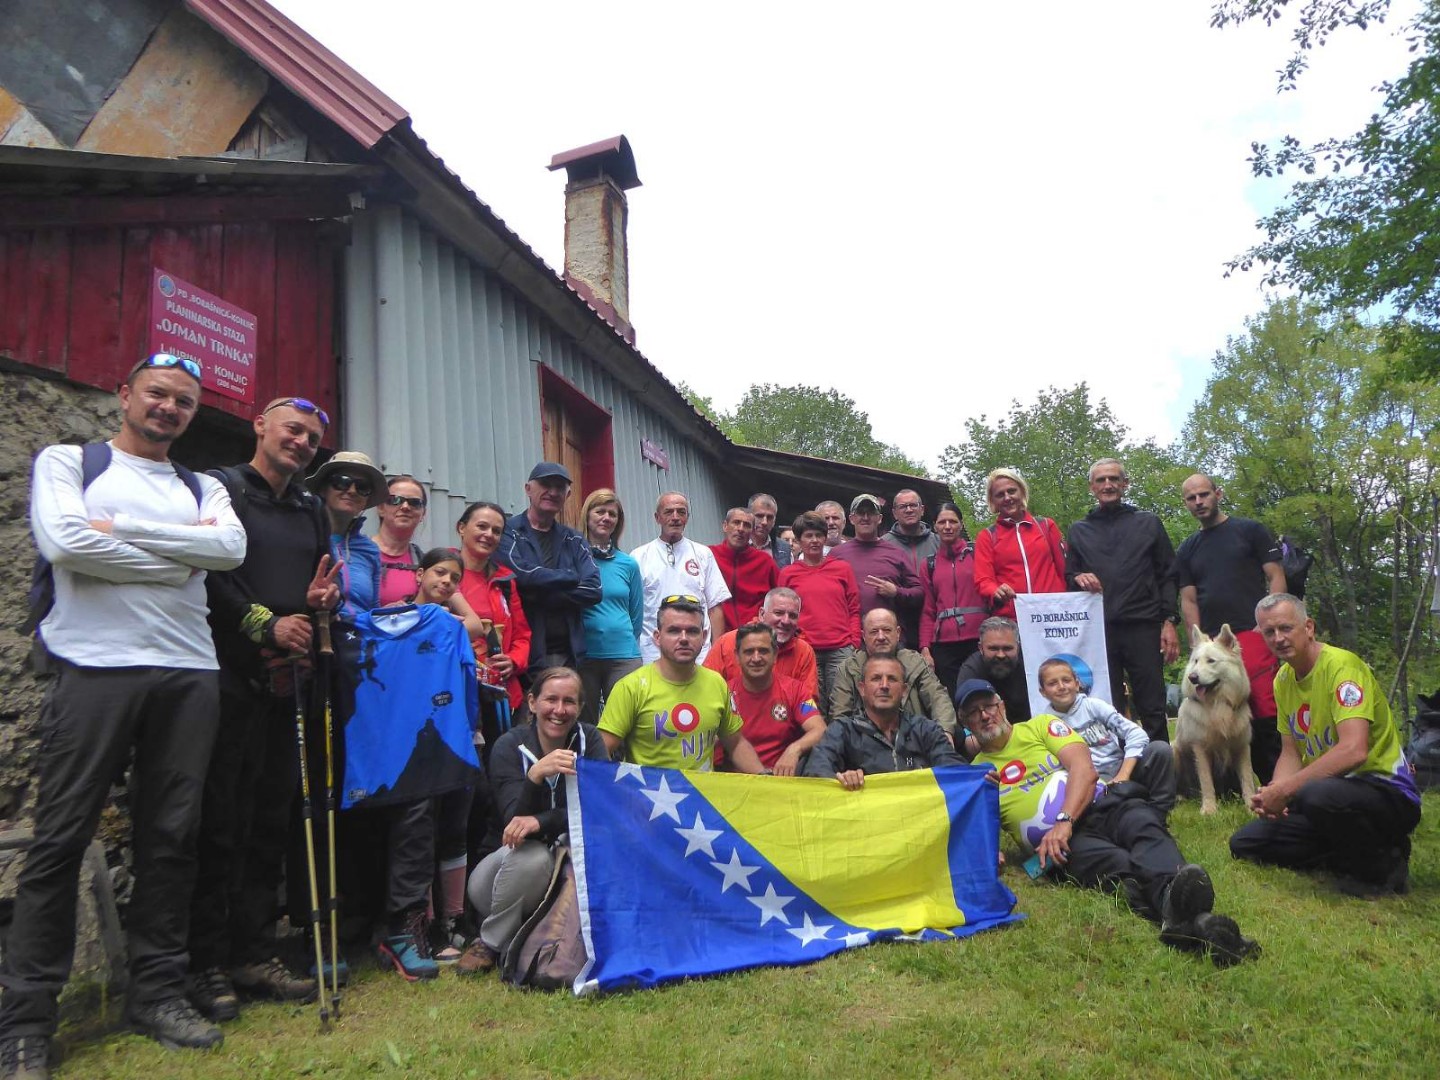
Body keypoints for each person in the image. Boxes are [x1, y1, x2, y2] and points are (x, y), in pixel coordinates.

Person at [2, 353, 246, 1066]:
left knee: (172, 837)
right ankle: (25, 1022)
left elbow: (229, 550)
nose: (169, 408)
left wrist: (121, 537)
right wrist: (181, 560)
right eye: (157, 394)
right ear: (125, 395)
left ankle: (156, 991)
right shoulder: (68, 462)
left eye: (184, 402)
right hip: (93, 667)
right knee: (60, 840)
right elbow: (63, 541)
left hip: (188, 671)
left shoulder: (200, 483)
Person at [188, 395, 337, 1025]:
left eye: (311, 438)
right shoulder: (222, 488)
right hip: (225, 673)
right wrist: (265, 625)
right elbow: (209, 574)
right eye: (292, 431)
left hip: (288, 683)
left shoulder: (310, 508)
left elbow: (317, 585)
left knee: (272, 819)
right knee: (219, 818)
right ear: (260, 427)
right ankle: (204, 964)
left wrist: (317, 604)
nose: (301, 443)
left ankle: (253, 953)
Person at [964, 680, 1257, 966]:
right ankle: (1197, 922)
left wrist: (1064, 820)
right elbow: (977, 832)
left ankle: (1182, 918)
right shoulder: (977, 773)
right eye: (974, 712)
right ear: (966, 722)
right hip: (1060, 849)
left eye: (988, 705)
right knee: (1119, 867)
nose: (984, 715)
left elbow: (1083, 768)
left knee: (1145, 830)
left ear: (1001, 705)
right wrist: (990, 855)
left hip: (1103, 804)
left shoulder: (1039, 727)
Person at [1230, 594, 1422, 896]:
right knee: (1247, 843)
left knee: (1315, 793)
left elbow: (1354, 750)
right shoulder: (1283, 680)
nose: (1278, 638)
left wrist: (1288, 789)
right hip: (1331, 794)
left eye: (1286, 628)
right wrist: (1274, 797)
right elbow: (1291, 752)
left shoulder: (1342, 668)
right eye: (1269, 632)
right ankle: (1350, 850)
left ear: (1308, 627)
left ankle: (1382, 867)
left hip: (1385, 793)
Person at [462, 668, 610, 974]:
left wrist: (543, 821)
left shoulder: (590, 740)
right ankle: (489, 943)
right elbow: (513, 825)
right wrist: (534, 777)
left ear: (581, 707)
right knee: (532, 856)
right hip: (499, 876)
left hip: (567, 870)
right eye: (550, 699)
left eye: (569, 701)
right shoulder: (507, 746)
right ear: (532, 703)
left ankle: (538, 942)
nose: (559, 710)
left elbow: (598, 810)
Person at [1175, 473, 1287, 780]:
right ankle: (1228, 783)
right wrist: (1197, 644)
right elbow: (1188, 598)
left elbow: (1275, 575)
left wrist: (1268, 625)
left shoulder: (1249, 531)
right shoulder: (1187, 548)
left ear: (1218, 493)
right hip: (1212, 642)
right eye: (1191, 498)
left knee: (1265, 707)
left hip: (1252, 632)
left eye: (1204, 495)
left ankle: (1275, 777)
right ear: (1185, 503)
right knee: (1216, 713)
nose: (1198, 502)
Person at [1067, 458, 1180, 743]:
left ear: (1125, 484)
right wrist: (1079, 577)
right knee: (1110, 706)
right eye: (1101, 480)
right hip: (1100, 631)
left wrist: (1169, 621)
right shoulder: (1079, 530)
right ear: (1092, 487)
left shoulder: (1148, 523)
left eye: (1114, 479)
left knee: (1152, 704)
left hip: (1144, 625)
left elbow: (1169, 574)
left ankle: (1161, 774)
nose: (1108, 485)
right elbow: (1069, 575)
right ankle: (1123, 775)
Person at [599, 595, 767, 773]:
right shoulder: (630, 687)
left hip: (702, 797)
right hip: (648, 798)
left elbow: (736, 744)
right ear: (657, 637)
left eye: (692, 631)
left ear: (703, 637)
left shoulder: (716, 683)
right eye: (674, 631)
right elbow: (601, 750)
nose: (684, 638)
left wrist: (765, 779)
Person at [1037, 657, 1175, 817]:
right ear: (1043, 692)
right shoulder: (1044, 724)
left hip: (1120, 767)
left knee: (1160, 750)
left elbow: (1137, 734)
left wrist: (1123, 775)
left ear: (1077, 683)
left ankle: (1159, 812)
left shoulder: (1094, 706)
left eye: (1066, 680)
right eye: (1052, 683)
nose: (1061, 687)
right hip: (1087, 781)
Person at [496, 462, 601, 673]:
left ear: (567, 495)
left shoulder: (574, 539)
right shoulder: (508, 531)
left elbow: (594, 590)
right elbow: (519, 575)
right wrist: (568, 576)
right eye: (545, 484)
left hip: (569, 654)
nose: (552, 492)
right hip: (521, 654)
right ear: (528, 489)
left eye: (559, 487)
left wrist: (539, 594)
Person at [803, 656, 963, 787]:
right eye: (876, 678)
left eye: (892, 679)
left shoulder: (925, 729)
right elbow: (816, 773)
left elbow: (958, 773)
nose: (884, 685)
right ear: (862, 689)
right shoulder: (842, 731)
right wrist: (840, 780)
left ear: (904, 690)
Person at [457, 502, 532, 731]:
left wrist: (514, 660)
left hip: (501, 696)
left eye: (496, 531)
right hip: (457, 691)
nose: (488, 535)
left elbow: (522, 635)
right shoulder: (442, 572)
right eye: (482, 526)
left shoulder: (505, 581)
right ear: (461, 528)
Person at [632, 492, 730, 664]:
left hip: (698, 654)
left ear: (687, 517)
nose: (675, 517)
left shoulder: (702, 554)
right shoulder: (639, 556)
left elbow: (715, 606)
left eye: (681, 512)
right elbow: (632, 609)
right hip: (652, 653)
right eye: (669, 512)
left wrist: (716, 652)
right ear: (657, 517)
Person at [778, 512, 861, 716]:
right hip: (806, 650)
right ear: (798, 540)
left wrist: (854, 642)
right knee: (811, 705)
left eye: (818, 535)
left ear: (825, 538)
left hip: (841, 649)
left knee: (843, 705)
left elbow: (854, 607)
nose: (814, 540)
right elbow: (781, 612)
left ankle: (842, 746)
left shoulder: (842, 569)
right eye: (808, 536)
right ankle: (816, 746)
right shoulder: (788, 573)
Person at [829, 609, 957, 736]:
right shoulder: (848, 668)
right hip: (864, 745)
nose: (881, 637)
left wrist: (945, 732)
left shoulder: (915, 662)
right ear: (863, 636)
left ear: (898, 633)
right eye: (874, 632)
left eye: (887, 630)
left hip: (915, 740)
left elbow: (938, 698)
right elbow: (840, 716)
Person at [722, 623, 826, 775]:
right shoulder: (723, 693)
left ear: (775, 654)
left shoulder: (796, 690)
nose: (756, 658)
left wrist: (794, 750)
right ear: (737, 656)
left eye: (763, 651)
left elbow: (820, 729)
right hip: (737, 782)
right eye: (749, 652)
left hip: (783, 779)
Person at [577, 489, 644, 726]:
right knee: (585, 723)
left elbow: (636, 613)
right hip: (585, 656)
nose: (606, 518)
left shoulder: (628, 564)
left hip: (623, 656)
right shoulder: (574, 558)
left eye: (612, 514)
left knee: (626, 722)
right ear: (587, 515)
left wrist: (623, 639)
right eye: (600, 511)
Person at [973, 467, 1067, 620]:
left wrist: (1066, 601)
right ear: (993, 501)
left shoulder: (1045, 526)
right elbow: (983, 580)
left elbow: (1064, 570)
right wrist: (995, 590)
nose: (1007, 497)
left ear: (1022, 492)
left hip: (1052, 615)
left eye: (1012, 491)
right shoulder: (987, 536)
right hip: (1013, 619)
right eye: (999, 495)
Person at [704, 586, 819, 702]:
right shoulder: (728, 643)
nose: (785, 621)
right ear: (762, 614)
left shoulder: (804, 651)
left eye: (792, 616)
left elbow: (808, 701)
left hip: (783, 717)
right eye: (778, 613)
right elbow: (707, 690)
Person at [917, 501, 985, 699]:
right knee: (954, 697)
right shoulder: (929, 564)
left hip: (977, 639)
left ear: (961, 524)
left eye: (953, 522)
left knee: (981, 692)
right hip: (944, 645)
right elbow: (928, 610)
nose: (947, 527)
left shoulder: (977, 554)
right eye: (942, 522)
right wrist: (925, 648)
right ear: (935, 526)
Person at [830, 494, 922, 635]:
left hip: (888, 636)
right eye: (860, 513)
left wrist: (896, 592)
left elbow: (919, 592)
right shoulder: (836, 554)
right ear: (851, 519)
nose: (865, 518)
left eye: (871, 513)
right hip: (848, 637)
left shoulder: (897, 553)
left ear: (879, 518)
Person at [883, 488, 942, 647]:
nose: (909, 510)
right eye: (903, 507)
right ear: (894, 513)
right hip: (899, 620)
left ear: (922, 510)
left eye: (913, 505)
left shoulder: (939, 542)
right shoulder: (883, 545)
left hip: (934, 620)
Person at [709, 506, 778, 629]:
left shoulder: (765, 562)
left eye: (746, 525)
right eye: (736, 523)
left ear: (752, 531)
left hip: (755, 633)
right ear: (725, 526)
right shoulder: (708, 556)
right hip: (717, 634)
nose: (740, 529)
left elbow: (778, 597)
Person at [954, 617, 1032, 723]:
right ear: (981, 648)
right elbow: (966, 713)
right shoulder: (971, 670)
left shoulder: (1032, 665)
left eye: (1007, 648)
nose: (1000, 655)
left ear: (1018, 647)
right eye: (993, 648)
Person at [375, 475, 428, 607]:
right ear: (381, 508)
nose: (405, 507)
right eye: (395, 500)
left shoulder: (425, 563)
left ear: (423, 514)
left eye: (414, 503)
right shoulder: (355, 553)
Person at [747, 493, 792, 568]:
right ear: (748, 516)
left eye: (770, 517)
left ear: (775, 520)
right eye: (759, 516)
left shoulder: (784, 549)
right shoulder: (737, 545)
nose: (764, 522)